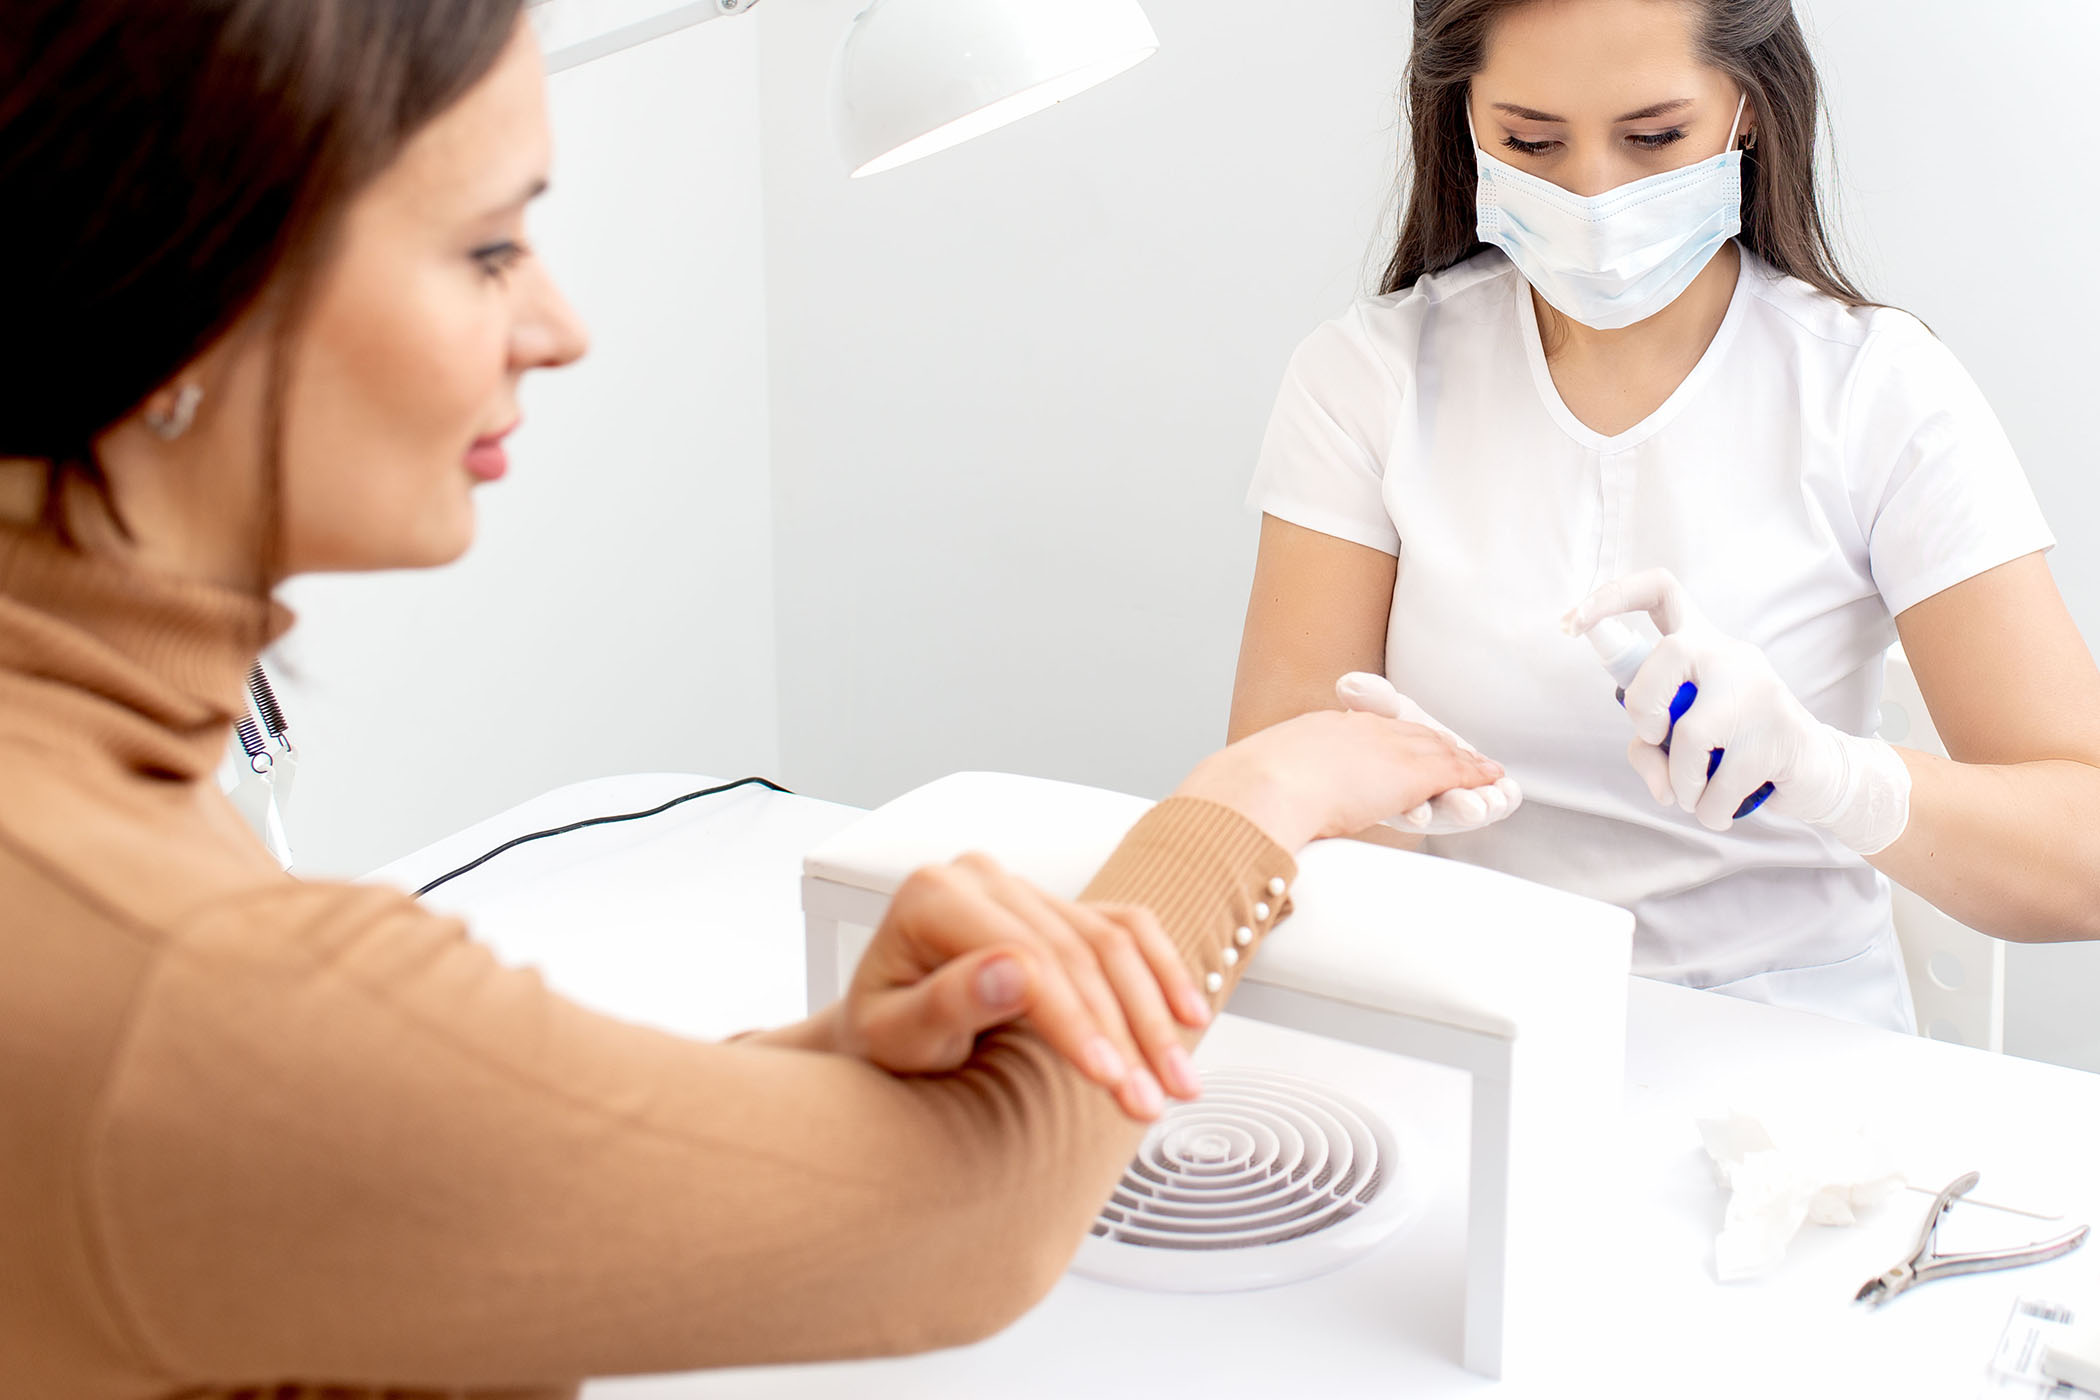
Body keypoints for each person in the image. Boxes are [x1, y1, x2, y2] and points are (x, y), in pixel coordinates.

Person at [0, 4, 1504, 1396]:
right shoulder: (180, 985)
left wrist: (812, 1084)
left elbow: (303, 1221)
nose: (561, 326)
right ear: (185, 283)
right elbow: (973, 1213)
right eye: (488, 249)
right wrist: (1255, 799)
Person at [1232, 0, 2100, 1033]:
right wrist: (1379, 812)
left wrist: (1833, 777)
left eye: (1653, 137)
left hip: (1790, 1046)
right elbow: (1270, 819)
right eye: (1532, 142)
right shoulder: (1367, 378)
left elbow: (2085, 861)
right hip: (1459, 1022)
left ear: (1747, 105)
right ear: (1461, 113)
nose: (1594, 194)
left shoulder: (1876, 389)